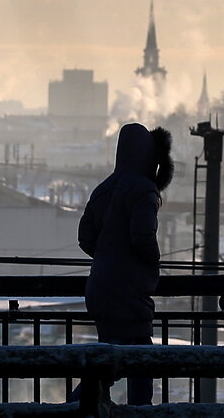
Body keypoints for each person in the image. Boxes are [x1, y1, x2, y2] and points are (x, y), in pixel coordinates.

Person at [76, 122, 173, 406]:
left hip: (99, 288)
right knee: (141, 361)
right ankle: (138, 413)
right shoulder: (144, 190)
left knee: (108, 360)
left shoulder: (103, 189)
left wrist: (108, 258)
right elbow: (142, 235)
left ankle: (76, 408)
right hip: (130, 290)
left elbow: (85, 238)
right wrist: (150, 264)